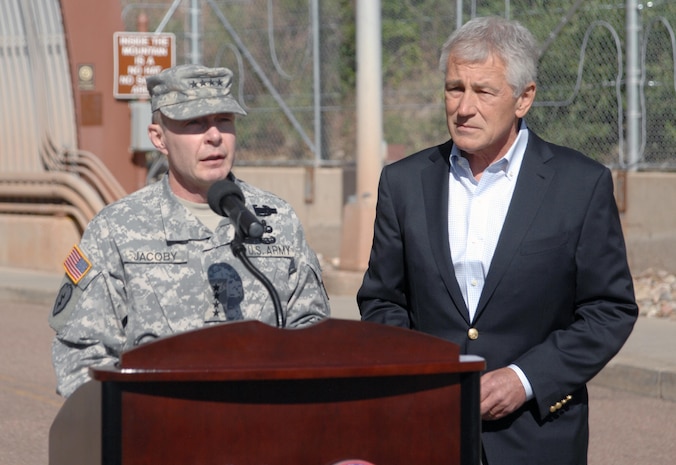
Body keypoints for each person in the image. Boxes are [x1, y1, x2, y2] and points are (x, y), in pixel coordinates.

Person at [357, 16, 637, 465]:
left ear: (524, 98)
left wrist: (525, 378)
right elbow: (382, 300)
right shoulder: (404, 183)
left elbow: (609, 309)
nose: (463, 107)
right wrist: (422, 377)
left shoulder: (579, 185)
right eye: (454, 88)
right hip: (428, 432)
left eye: (483, 91)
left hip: (536, 437)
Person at [49, 64, 330, 398]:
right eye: (194, 122)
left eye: (223, 120)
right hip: (160, 434)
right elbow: (82, 355)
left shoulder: (275, 219)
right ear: (159, 137)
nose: (214, 136)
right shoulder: (117, 229)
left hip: (264, 429)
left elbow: (314, 336)